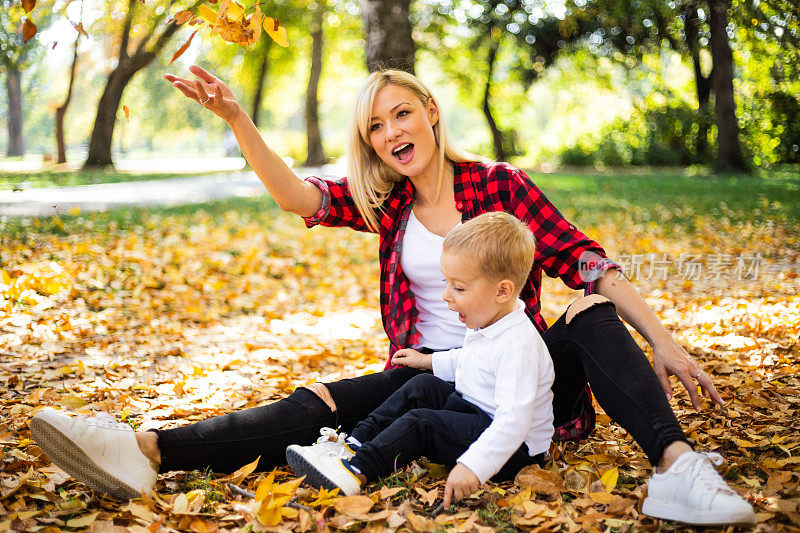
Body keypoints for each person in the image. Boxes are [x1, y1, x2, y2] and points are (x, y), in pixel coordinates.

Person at [30, 66, 755, 526]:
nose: (390, 132)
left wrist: (663, 339)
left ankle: (676, 468)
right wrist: (236, 120)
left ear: (431, 112)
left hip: (518, 377)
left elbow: (586, 260)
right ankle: (144, 447)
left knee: (589, 311)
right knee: (310, 401)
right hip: (429, 376)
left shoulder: (499, 186)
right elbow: (297, 197)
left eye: (400, 114)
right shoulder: (387, 202)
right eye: (375, 127)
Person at [286, 212, 554, 507]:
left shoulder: (519, 346)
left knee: (422, 422)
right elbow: (474, 360)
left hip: (513, 451)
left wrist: (474, 466)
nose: (445, 296)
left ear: (502, 290)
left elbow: (513, 422)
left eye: (459, 288)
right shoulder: (490, 319)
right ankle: (352, 445)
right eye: (447, 283)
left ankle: (356, 471)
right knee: (423, 385)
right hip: (476, 411)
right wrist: (428, 362)